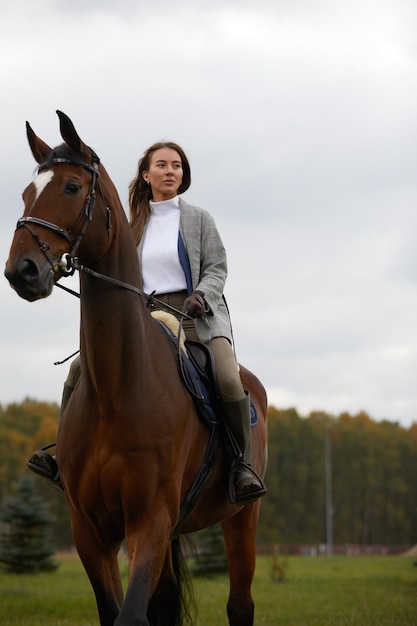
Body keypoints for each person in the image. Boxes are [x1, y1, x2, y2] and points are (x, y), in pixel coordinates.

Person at [28, 141, 266, 505]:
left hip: (195, 316)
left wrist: (202, 294)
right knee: (79, 369)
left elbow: (217, 268)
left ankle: (241, 467)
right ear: (146, 174)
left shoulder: (199, 218)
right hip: (146, 315)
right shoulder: (131, 223)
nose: (171, 171)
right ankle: (63, 454)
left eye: (177, 166)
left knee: (229, 378)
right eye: (162, 165)